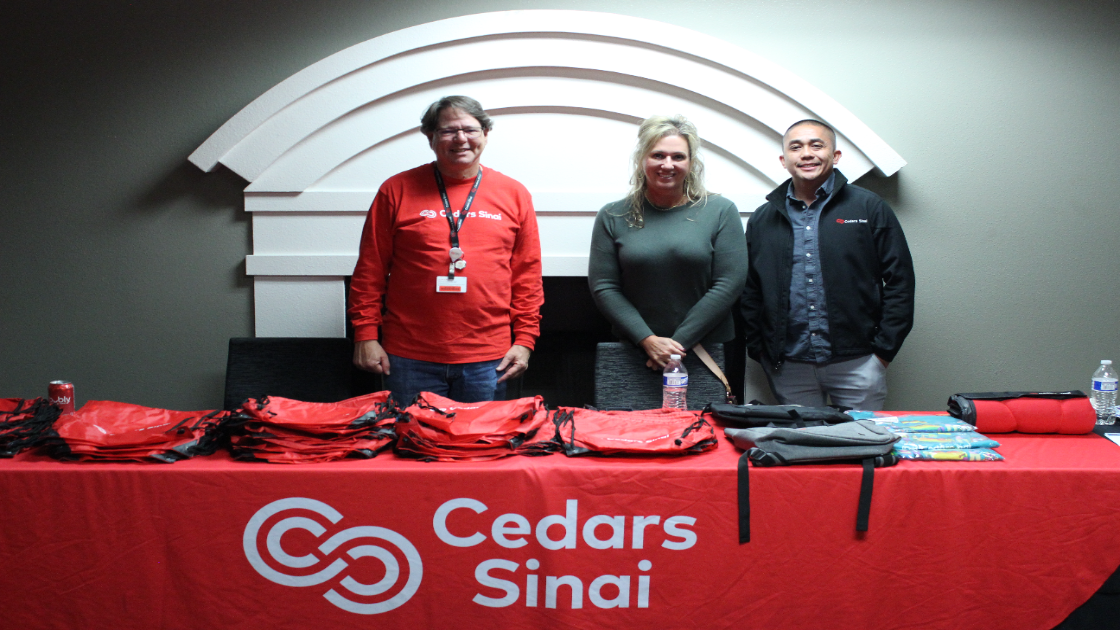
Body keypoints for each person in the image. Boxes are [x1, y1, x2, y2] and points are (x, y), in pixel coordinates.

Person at [348, 96, 544, 404]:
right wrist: (365, 335)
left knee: (479, 447)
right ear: (430, 137)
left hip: (489, 358)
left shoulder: (514, 194)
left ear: (485, 134)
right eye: (449, 131)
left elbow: (527, 277)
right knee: (413, 445)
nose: (461, 139)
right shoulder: (395, 190)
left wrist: (526, 340)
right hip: (408, 356)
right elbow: (369, 271)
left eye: (470, 129)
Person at [740, 119, 915, 410]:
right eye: (796, 147)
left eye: (816, 145)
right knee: (804, 450)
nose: (806, 153)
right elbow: (750, 289)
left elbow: (900, 281)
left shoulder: (869, 208)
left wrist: (883, 351)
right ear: (784, 161)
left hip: (858, 363)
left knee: (863, 445)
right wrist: (760, 349)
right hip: (789, 366)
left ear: (835, 156)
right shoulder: (763, 218)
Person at [588, 115, 747, 406]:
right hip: (635, 352)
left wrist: (676, 346)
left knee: (705, 439)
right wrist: (648, 341)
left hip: (705, 350)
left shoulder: (720, 210)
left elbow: (729, 283)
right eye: (657, 155)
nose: (667, 164)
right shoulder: (613, 215)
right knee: (628, 438)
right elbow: (604, 286)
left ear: (691, 162)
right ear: (642, 158)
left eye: (678, 156)